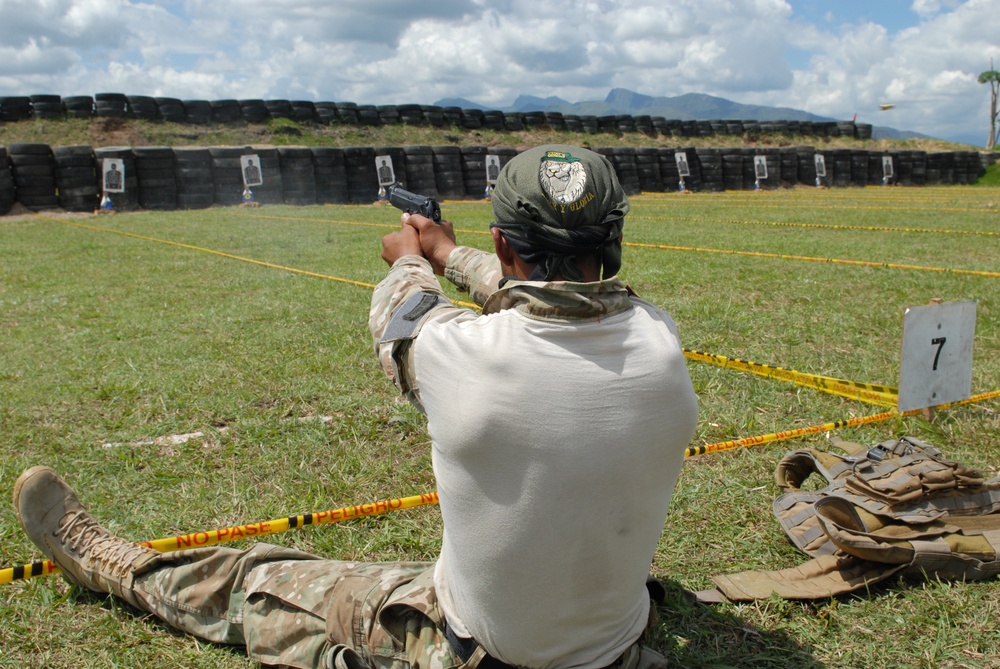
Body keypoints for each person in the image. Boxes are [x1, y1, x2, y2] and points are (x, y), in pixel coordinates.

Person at [13, 144, 698, 669]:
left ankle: (111, 565)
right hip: (621, 649)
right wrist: (449, 251)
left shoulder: (459, 356)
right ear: (612, 242)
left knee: (253, 581)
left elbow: (402, 314)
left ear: (503, 242)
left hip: (477, 650)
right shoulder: (660, 340)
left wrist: (411, 257)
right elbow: (549, 304)